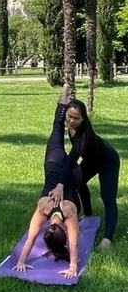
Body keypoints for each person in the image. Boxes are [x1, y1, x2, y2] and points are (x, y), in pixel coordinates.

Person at [13, 85, 81, 279]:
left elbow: (74, 243)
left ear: (64, 234)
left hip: (71, 171)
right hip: (54, 161)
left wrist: (73, 265)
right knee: (58, 127)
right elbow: (32, 236)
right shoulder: (43, 207)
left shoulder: (68, 212)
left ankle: (70, 102)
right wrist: (21, 260)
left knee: (73, 143)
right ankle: (65, 95)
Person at [48, 95, 120, 249]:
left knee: (108, 198)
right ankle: (88, 215)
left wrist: (60, 184)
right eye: (70, 116)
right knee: (79, 183)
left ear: (83, 119)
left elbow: (71, 161)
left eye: (76, 118)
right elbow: (59, 117)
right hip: (92, 159)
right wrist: (63, 96)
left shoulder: (83, 137)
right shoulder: (70, 125)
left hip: (108, 160)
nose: (72, 121)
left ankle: (107, 239)